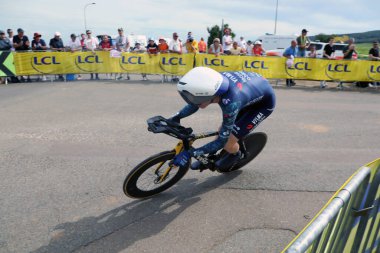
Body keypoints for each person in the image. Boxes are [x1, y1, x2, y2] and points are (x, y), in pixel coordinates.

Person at [170, 67, 276, 172]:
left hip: (262, 104)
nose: (192, 101)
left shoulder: (231, 103)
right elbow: (195, 104)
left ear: (211, 95)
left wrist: (192, 153)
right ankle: (210, 157)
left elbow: (221, 141)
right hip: (249, 91)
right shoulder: (213, 82)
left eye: (195, 98)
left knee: (227, 141)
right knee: (223, 130)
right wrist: (175, 117)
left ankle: (236, 154)